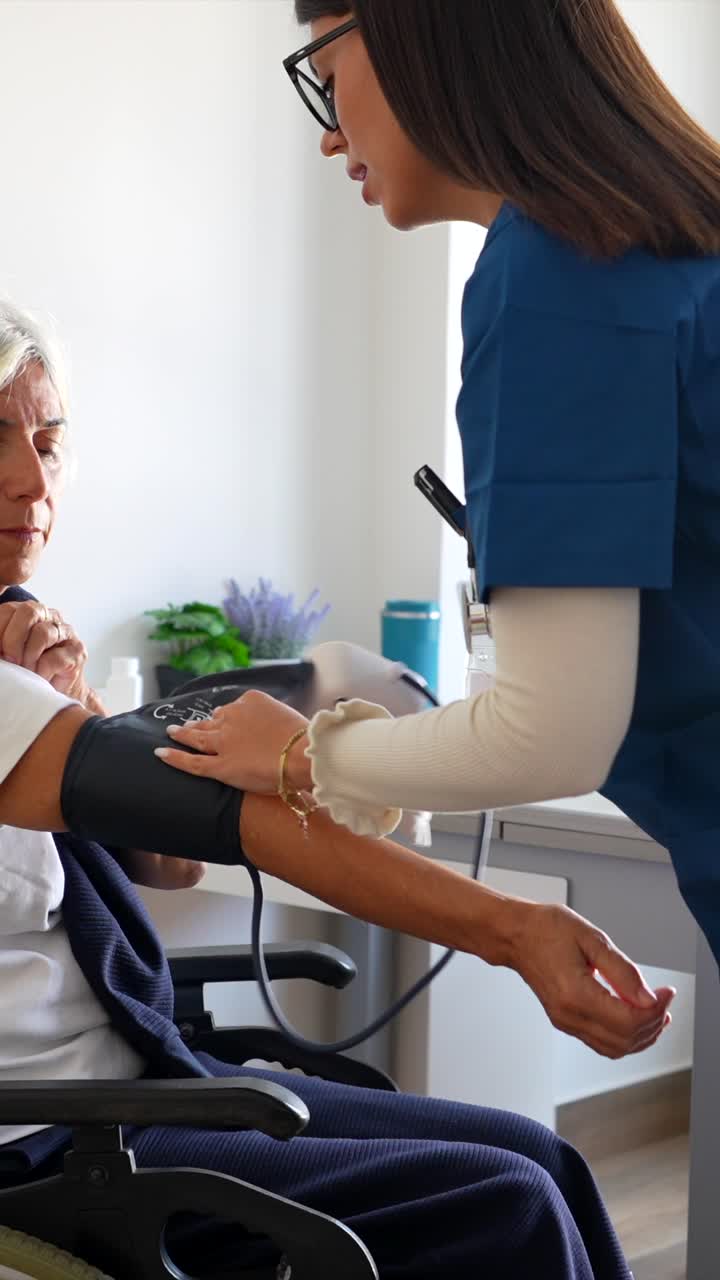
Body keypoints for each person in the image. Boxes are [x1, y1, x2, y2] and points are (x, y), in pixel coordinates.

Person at [0, 301, 669, 1277]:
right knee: (505, 1201)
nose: (33, 478)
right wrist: (515, 930)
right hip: (53, 1137)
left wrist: (74, 701)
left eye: (50, 441)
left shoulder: (25, 659)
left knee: (542, 1153)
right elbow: (247, 827)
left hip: (143, 1080)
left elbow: (171, 861)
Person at [160, 0, 720, 983]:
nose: (331, 135)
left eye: (328, 79)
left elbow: (552, 733)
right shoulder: (673, 233)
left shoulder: (556, 276)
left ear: (421, 34)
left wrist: (307, 755)